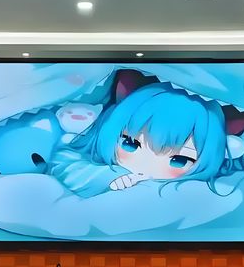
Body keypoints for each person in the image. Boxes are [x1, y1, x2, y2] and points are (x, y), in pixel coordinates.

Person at [50, 82, 231, 198]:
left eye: (179, 160)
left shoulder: (193, 192)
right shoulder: (89, 162)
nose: (147, 164)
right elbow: (63, 162)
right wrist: (110, 177)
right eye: (130, 143)